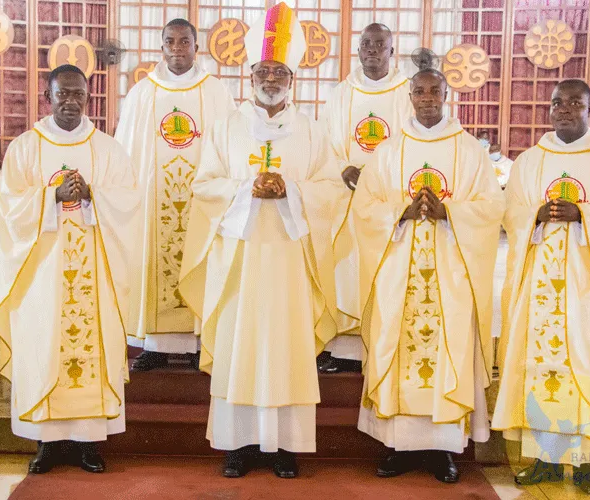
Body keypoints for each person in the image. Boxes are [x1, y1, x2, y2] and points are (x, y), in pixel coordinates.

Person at [178, 2, 343, 479]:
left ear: (292, 78)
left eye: (280, 72)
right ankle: (239, 444)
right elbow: (204, 185)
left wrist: (290, 189)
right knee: (240, 344)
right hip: (240, 258)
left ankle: (284, 446)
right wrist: (244, 189)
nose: (271, 78)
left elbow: (330, 189)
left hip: (291, 258)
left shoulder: (312, 131)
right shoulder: (227, 128)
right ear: (250, 76)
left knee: (286, 346)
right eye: (263, 71)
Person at [492, 79, 590, 495]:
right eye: (557, 103)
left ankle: (586, 465)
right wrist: (534, 214)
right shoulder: (529, 161)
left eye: (574, 103)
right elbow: (510, 213)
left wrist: (586, 216)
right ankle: (545, 460)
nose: (564, 109)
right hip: (540, 285)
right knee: (543, 368)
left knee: (586, 368)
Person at [353, 63, 504, 483]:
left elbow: (493, 207)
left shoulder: (469, 150)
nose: (427, 99)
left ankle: (443, 451)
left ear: (446, 95)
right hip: (399, 270)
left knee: (447, 352)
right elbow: (364, 208)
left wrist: (450, 212)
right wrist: (397, 212)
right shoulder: (389, 150)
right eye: (419, 91)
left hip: (451, 274)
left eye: (435, 91)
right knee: (395, 347)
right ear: (410, 97)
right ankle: (396, 446)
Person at [0, 65, 141, 474]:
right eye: (63, 94)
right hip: (42, 272)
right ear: (48, 96)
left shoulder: (108, 149)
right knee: (44, 347)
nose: (71, 102)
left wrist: (94, 196)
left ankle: (89, 442)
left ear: (88, 98)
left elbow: (129, 202)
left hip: (96, 269)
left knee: (91, 347)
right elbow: (6, 208)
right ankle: (48, 442)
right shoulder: (26, 147)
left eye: (79, 94)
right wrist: (50, 197)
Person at [115, 19, 236, 371]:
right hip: (153, 202)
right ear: (162, 46)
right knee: (155, 263)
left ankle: (200, 341)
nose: (178, 49)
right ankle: (155, 344)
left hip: (201, 200)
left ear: (196, 47)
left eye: (185, 42)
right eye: (170, 42)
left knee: (201, 259)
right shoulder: (143, 93)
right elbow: (127, 150)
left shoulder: (215, 92)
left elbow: (230, 146)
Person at [319, 22, 413, 374]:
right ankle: (343, 348)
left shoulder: (407, 93)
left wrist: (384, 178)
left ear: (392, 51)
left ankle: (385, 341)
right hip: (347, 196)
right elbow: (325, 141)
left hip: (388, 199)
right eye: (366, 45)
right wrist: (343, 168)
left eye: (380, 45)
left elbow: (413, 142)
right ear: (358, 51)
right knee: (346, 268)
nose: (372, 51)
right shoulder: (342, 94)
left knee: (385, 268)